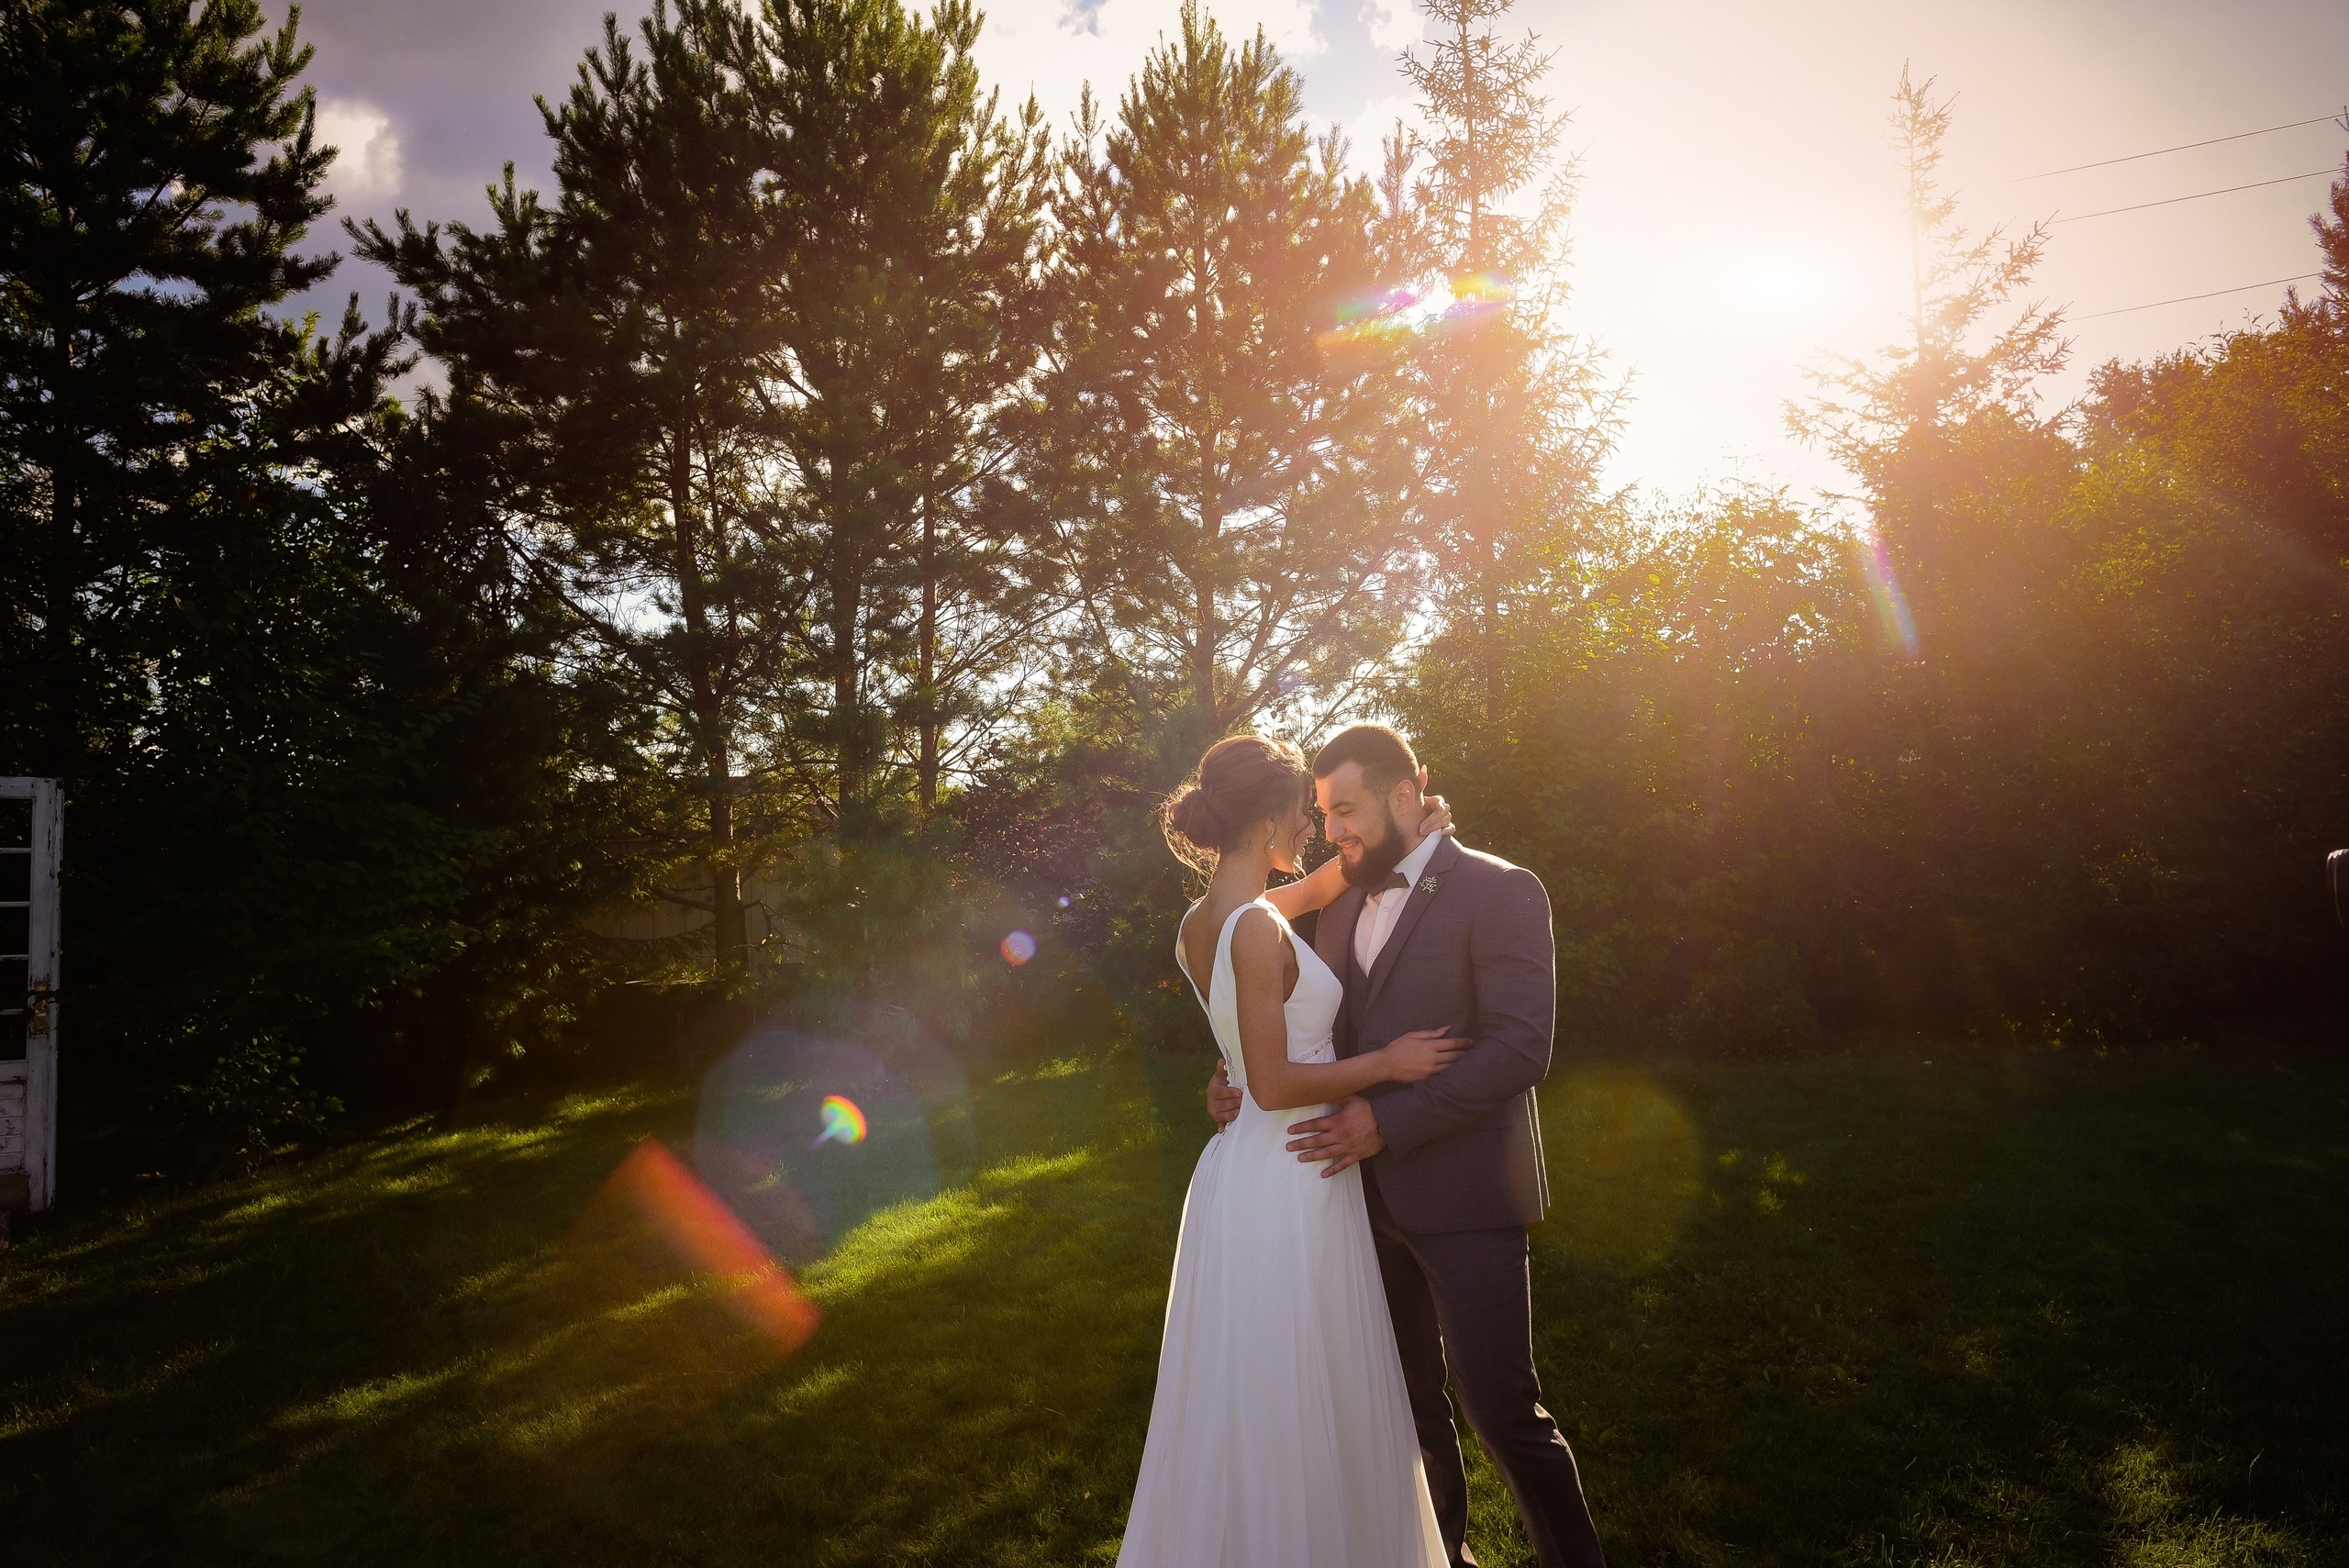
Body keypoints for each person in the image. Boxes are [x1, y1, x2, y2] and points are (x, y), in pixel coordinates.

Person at [1209, 724, 1607, 1568]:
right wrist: (1236, 1072)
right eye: (1321, 813)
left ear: (1403, 795)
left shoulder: (1503, 889)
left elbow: (1519, 1048)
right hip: (1355, 1198)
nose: (1333, 831)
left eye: (1345, 809)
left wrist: (1388, 1119)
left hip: (1465, 1193)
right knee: (1404, 1402)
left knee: (1503, 1410)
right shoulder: (1339, 897)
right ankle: (1444, 1554)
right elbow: (1290, 1008)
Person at [1116, 734, 1464, 1568]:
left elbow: (1318, 889)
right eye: (1306, 813)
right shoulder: (1253, 928)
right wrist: (1388, 1062)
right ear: (1269, 815)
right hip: (1293, 1168)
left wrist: (1413, 832)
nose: (1313, 825)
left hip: (1245, 1174)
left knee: (1257, 1387)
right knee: (1304, 1378)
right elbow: (1269, 1081)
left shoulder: (1204, 920)